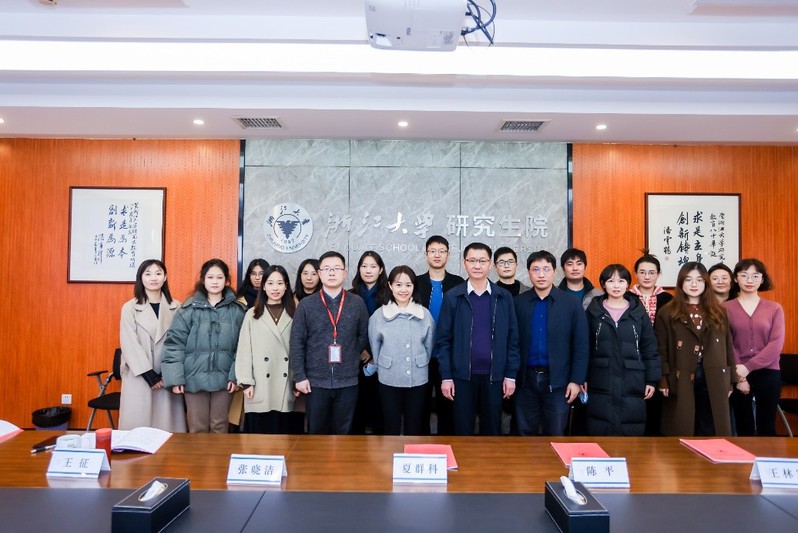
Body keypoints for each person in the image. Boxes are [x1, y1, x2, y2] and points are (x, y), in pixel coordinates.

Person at [435, 242, 520, 436]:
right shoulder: (453, 297)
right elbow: (443, 340)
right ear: (464, 263)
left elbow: (513, 339)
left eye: (482, 261)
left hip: (494, 377)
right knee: (463, 431)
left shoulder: (503, 297)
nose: (477, 265)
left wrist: (510, 375)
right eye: (472, 260)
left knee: (492, 431)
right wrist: (446, 376)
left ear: (490, 264)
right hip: (462, 377)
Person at [162, 259, 246, 433]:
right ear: (203, 279)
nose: (215, 281)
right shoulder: (187, 310)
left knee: (220, 425)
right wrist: (175, 379)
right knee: (197, 427)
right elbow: (174, 344)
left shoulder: (238, 311)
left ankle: (220, 454)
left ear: (227, 281)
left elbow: (244, 347)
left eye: (219, 277)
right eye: (210, 277)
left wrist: (235, 376)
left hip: (225, 379)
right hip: (193, 378)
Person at [290, 251, 370, 434]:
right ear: (320, 273)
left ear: (345, 273)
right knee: (316, 432)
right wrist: (300, 376)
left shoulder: (357, 303)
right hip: (315, 382)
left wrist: (350, 354)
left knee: (343, 432)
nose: (332, 272)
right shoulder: (306, 305)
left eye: (336, 268)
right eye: (327, 269)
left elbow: (363, 336)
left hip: (348, 382)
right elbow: (297, 342)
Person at [655, 262, 737, 436]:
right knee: (684, 423)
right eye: (688, 280)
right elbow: (661, 349)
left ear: (706, 283)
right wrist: (663, 378)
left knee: (711, 423)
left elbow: (727, 346)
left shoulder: (718, 311)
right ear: (681, 283)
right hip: (681, 373)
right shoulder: (667, 312)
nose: (694, 285)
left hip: (713, 372)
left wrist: (730, 380)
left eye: (699, 280)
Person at [514, 250, 589, 436]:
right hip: (525, 381)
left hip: (559, 382)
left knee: (556, 433)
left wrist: (576, 380)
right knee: (524, 433)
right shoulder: (518, 303)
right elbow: (511, 343)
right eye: (536, 269)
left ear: (555, 271)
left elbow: (581, 345)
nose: (541, 275)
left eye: (546, 269)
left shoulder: (571, 304)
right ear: (528, 272)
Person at [585, 264, 659, 436]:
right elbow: (585, 347)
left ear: (628, 284)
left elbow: (649, 347)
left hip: (633, 379)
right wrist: (583, 377)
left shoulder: (638, 312)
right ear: (603, 284)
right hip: (600, 378)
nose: (616, 285)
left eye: (621, 281)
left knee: (631, 429)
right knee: (600, 428)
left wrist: (652, 380)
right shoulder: (594, 312)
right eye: (611, 281)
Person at [118, 259, 186, 432]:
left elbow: (181, 341)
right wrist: (149, 375)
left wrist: (169, 372)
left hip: (167, 375)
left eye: (158, 273)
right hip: (140, 374)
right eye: (148, 274)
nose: (153, 278)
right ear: (141, 278)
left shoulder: (176, 306)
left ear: (165, 277)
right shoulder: (130, 308)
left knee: (167, 426)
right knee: (138, 426)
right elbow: (129, 343)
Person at [368, 265, 435, 435]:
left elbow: (429, 346)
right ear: (390, 286)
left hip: (418, 378)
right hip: (389, 377)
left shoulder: (424, 314)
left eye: (408, 285)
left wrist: (419, 362)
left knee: (414, 424)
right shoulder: (379, 315)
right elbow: (375, 347)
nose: (403, 290)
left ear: (414, 287)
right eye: (398, 285)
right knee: (391, 424)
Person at [725, 258, 785, 436]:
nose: (749, 280)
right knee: (744, 426)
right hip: (737, 371)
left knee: (767, 425)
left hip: (768, 371)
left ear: (762, 279)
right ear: (736, 278)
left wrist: (748, 367)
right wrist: (740, 376)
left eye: (755, 276)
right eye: (744, 275)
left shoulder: (774, 308)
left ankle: (767, 455)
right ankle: (744, 457)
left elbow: (776, 344)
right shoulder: (724, 308)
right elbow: (726, 342)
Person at [413, 235, 464, 436]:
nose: (437, 255)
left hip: (449, 355)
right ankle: (421, 446)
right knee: (420, 405)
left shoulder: (458, 283)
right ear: (425, 254)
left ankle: (447, 445)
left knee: (448, 404)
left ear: (448, 255)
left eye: (441, 251)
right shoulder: (416, 283)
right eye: (432, 251)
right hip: (421, 355)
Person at [236, 265, 297, 434]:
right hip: (259, 383)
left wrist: (297, 379)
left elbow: (299, 350)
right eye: (270, 283)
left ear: (286, 286)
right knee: (259, 438)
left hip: (285, 382)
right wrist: (246, 381)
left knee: (282, 435)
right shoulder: (252, 314)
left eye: (280, 283)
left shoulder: (294, 313)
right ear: (263, 286)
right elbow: (244, 350)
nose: (275, 288)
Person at [630, 250, 673, 436]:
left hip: (660, 358)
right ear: (636, 274)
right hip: (632, 359)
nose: (647, 277)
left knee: (657, 406)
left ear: (658, 274)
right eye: (642, 272)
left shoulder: (668, 300)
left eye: (651, 272)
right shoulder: (627, 298)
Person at [350, 250, 389, 434]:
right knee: (356, 408)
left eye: (373, 266)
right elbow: (347, 328)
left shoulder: (389, 295)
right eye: (364, 266)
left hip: (382, 359)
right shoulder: (350, 295)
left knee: (380, 408)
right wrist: (361, 350)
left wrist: (374, 354)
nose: (368, 270)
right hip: (355, 358)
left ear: (380, 270)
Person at [230, 257, 270, 431]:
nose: (257, 278)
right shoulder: (239, 300)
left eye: (262, 273)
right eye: (253, 274)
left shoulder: (274, 298)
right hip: (245, 355)